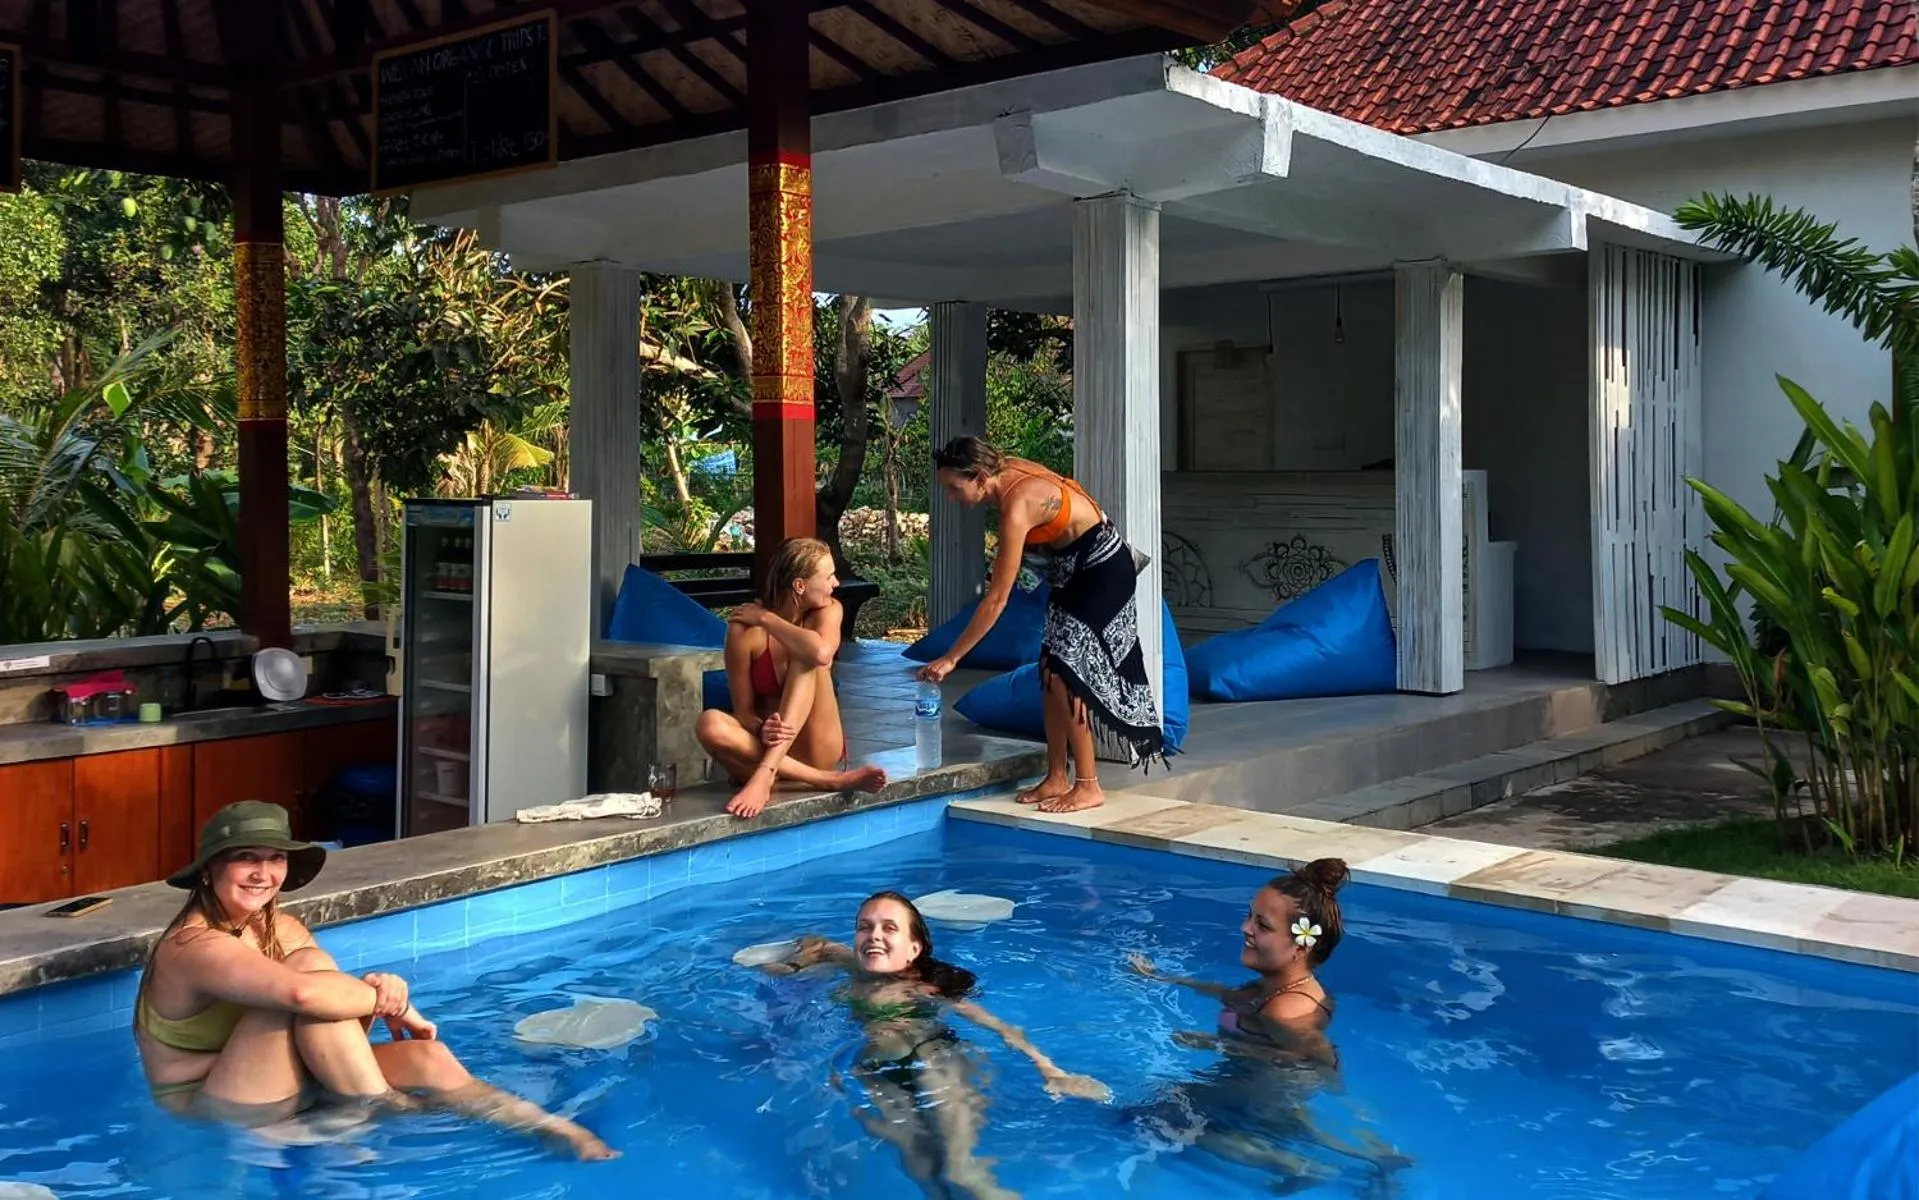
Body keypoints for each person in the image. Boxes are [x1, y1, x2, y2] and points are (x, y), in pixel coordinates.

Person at [132, 800, 615, 1159]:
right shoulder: (193, 948)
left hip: (289, 1083)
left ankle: (549, 1128)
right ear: (208, 870)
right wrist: (396, 1004)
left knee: (428, 1056)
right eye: (246, 859)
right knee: (306, 980)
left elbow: (332, 999)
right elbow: (303, 993)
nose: (263, 874)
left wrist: (377, 986)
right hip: (219, 1104)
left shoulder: (279, 927)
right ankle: (382, 1107)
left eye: (274, 859)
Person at [751, 891, 1110, 1200]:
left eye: (889, 928)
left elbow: (1000, 1027)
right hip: (876, 1072)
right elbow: (815, 943)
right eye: (865, 926)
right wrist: (799, 961)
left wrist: (1049, 1068)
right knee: (923, 1168)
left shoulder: (924, 987)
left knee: (960, 1170)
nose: (874, 935)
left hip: (933, 1059)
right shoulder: (853, 964)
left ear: (913, 949)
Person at [1127, 859, 1410, 1191]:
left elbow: (1310, 1054)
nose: (1246, 928)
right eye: (1250, 916)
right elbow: (1229, 995)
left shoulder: (1285, 1009)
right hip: (1259, 1082)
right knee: (1294, 1126)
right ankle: (1379, 1158)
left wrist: (1216, 1044)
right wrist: (1164, 978)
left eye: (1262, 925)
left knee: (1154, 1115)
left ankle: (1297, 1165)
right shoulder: (1280, 986)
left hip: (1267, 1084)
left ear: (1301, 944)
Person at [923, 437, 1162, 815]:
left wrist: (952, 658)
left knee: (1065, 676)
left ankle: (1088, 785)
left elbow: (997, 599)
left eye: (955, 488)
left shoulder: (1016, 507)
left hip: (1103, 572)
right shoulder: (1005, 469)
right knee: (1049, 669)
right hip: (1073, 569)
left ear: (981, 477)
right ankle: (1056, 776)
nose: (952, 497)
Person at [695, 536, 888, 819]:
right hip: (767, 744)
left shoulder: (829, 610)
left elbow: (821, 653)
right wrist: (761, 728)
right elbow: (744, 712)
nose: (836, 584)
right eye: (829, 576)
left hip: (814, 744)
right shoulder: (742, 633)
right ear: (800, 585)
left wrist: (766, 619)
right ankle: (827, 781)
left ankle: (765, 773)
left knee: (807, 654)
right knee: (708, 723)